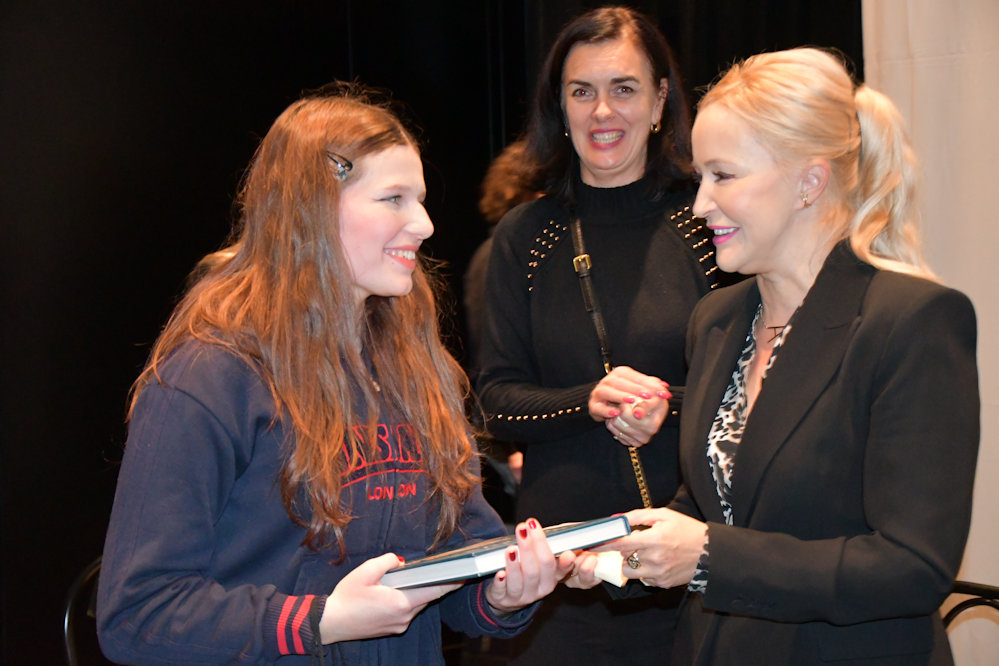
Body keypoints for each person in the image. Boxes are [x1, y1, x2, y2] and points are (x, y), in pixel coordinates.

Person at [96, 83, 573, 665]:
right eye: (393, 198)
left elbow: (457, 556)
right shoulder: (210, 377)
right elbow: (138, 616)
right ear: (314, 209)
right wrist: (320, 622)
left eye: (420, 199)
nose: (424, 224)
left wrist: (502, 591)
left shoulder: (416, 369)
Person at [569, 47, 980, 665]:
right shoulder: (717, 319)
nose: (701, 204)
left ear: (809, 183)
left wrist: (708, 557)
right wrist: (618, 555)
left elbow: (912, 566)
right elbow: (716, 501)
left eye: (724, 176)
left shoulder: (911, 321)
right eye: (701, 178)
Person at [475, 6, 723, 663]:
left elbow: (756, 389)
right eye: (581, 91)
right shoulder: (525, 237)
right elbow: (496, 401)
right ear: (558, 107)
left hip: (687, 562)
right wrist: (588, 400)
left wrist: (666, 404)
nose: (602, 111)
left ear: (660, 100)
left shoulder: (708, 224)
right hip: (563, 574)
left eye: (624, 88)